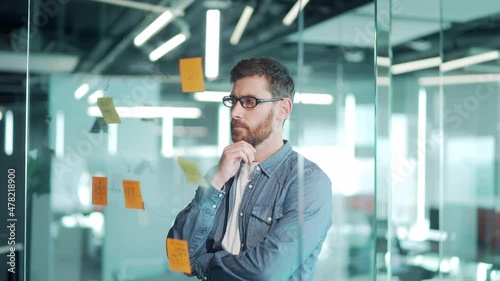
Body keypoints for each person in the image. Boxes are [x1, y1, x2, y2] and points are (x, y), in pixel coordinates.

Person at [167, 57, 332, 281]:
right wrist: (217, 181)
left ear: (283, 109)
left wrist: (201, 264)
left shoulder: (308, 182)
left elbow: (265, 272)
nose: (235, 111)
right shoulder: (221, 174)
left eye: (249, 101)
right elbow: (179, 255)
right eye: (233, 100)